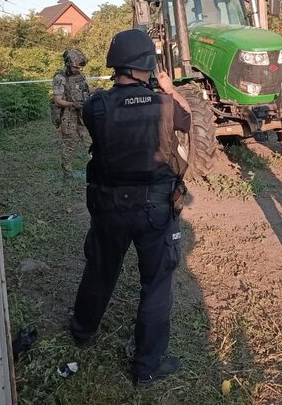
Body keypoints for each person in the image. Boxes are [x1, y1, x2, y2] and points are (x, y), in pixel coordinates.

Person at [69, 29, 192, 386]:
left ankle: (82, 332)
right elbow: (189, 118)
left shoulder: (97, 105)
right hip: (156, 209)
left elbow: (97, 130)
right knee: (155, 286)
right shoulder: (165, 104)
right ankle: (146, 367)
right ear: (147, 64)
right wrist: (168, 90)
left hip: (109, 207)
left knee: (100, 271)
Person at [52, 49, 92, 178]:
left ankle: (96, 169)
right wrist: (72, 104)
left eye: (79, 67)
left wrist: (96, 91)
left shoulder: (80, 76)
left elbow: (85, 89)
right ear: (68, 64)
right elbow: (58, 101)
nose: (77, 69)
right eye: (75, 67)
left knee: (90, 142)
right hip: (68, 115)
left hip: (82, 114)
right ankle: (67, 173)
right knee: (69, 143)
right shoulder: (60, 78)